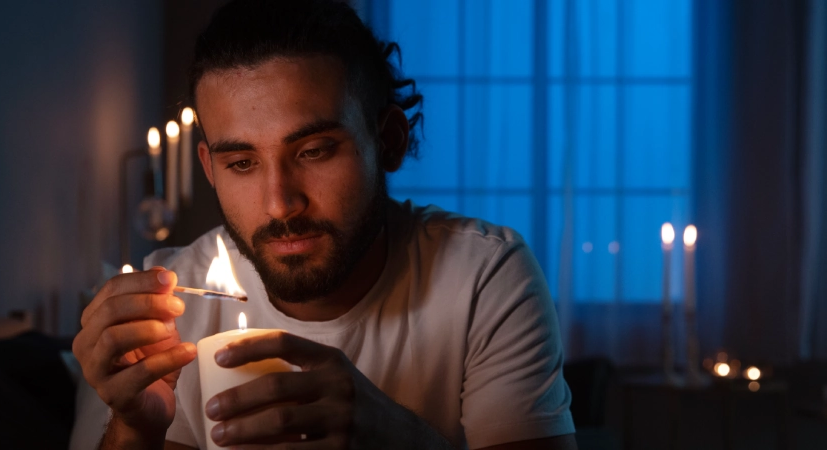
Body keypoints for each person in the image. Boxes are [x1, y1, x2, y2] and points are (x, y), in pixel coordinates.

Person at [72, 0, 577, 448]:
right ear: (209, 168)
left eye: (313, 151)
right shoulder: (162, 312)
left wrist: (396, 438)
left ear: (390, 141)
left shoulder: (484, 277)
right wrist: (137, 430)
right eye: (242, 163)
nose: (280, 204)